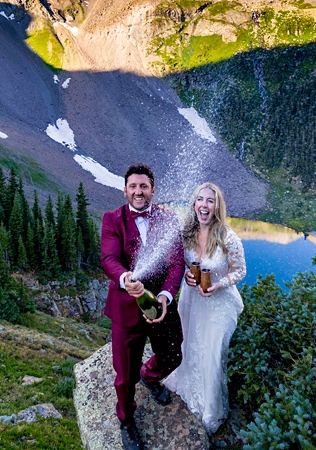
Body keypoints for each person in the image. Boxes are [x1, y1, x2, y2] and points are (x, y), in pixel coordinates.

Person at [101, 163, 185, 450]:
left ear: (153, 190)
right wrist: (126, 278)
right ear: (125, 190)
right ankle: (126, 421)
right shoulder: (112, 220)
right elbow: (109, 259)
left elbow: (176, 264)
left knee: (173, 355)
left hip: (161, 307)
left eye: (144, 186)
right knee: (124, 376)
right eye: (133, 187)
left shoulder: (169, 218)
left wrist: (165, 295)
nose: (138, 191)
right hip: (126, 310)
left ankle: (150, 376)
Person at [163, 182, 246, 434]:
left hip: (218, 304)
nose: (204, 205)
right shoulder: (187, 232)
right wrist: (188, 275)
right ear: (194, 204)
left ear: (217, 206)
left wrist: (218, 284)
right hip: (192, 299)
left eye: (210, 201)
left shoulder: (228, 237)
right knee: (188, 345)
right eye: (200, 200)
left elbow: (240, 271)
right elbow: (182, 264)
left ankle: (210, 411)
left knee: (212, 355)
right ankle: (189, 388)